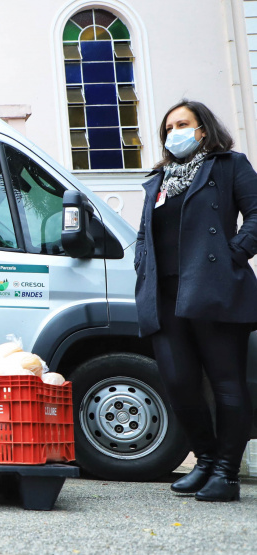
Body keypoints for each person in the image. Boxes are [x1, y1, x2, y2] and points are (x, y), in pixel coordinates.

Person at [135, 100, 257, 502]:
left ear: (202, 129)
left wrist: (232, 254)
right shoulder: (158, 181)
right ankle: (204, 461)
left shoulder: (228, 165)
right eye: (168, 128)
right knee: (179, 383)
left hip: (215, 289)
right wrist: (141, 265)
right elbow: (144, 236)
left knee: (227, 384)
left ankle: (226, 473)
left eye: (182, 124)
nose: (174, 133)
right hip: (165, 295)